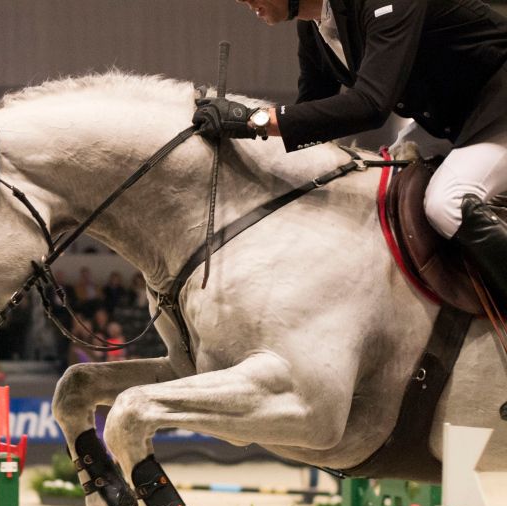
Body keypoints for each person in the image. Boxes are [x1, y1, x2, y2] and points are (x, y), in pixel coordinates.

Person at [201, 0, 507, 310]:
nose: (242, 0)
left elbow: (371, 106)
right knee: (383, 185)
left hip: (498, 104)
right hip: (454, 117)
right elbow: (311, 118)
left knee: (448, 203)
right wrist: (237, 137)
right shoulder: (313, 28)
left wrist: (253, 119)